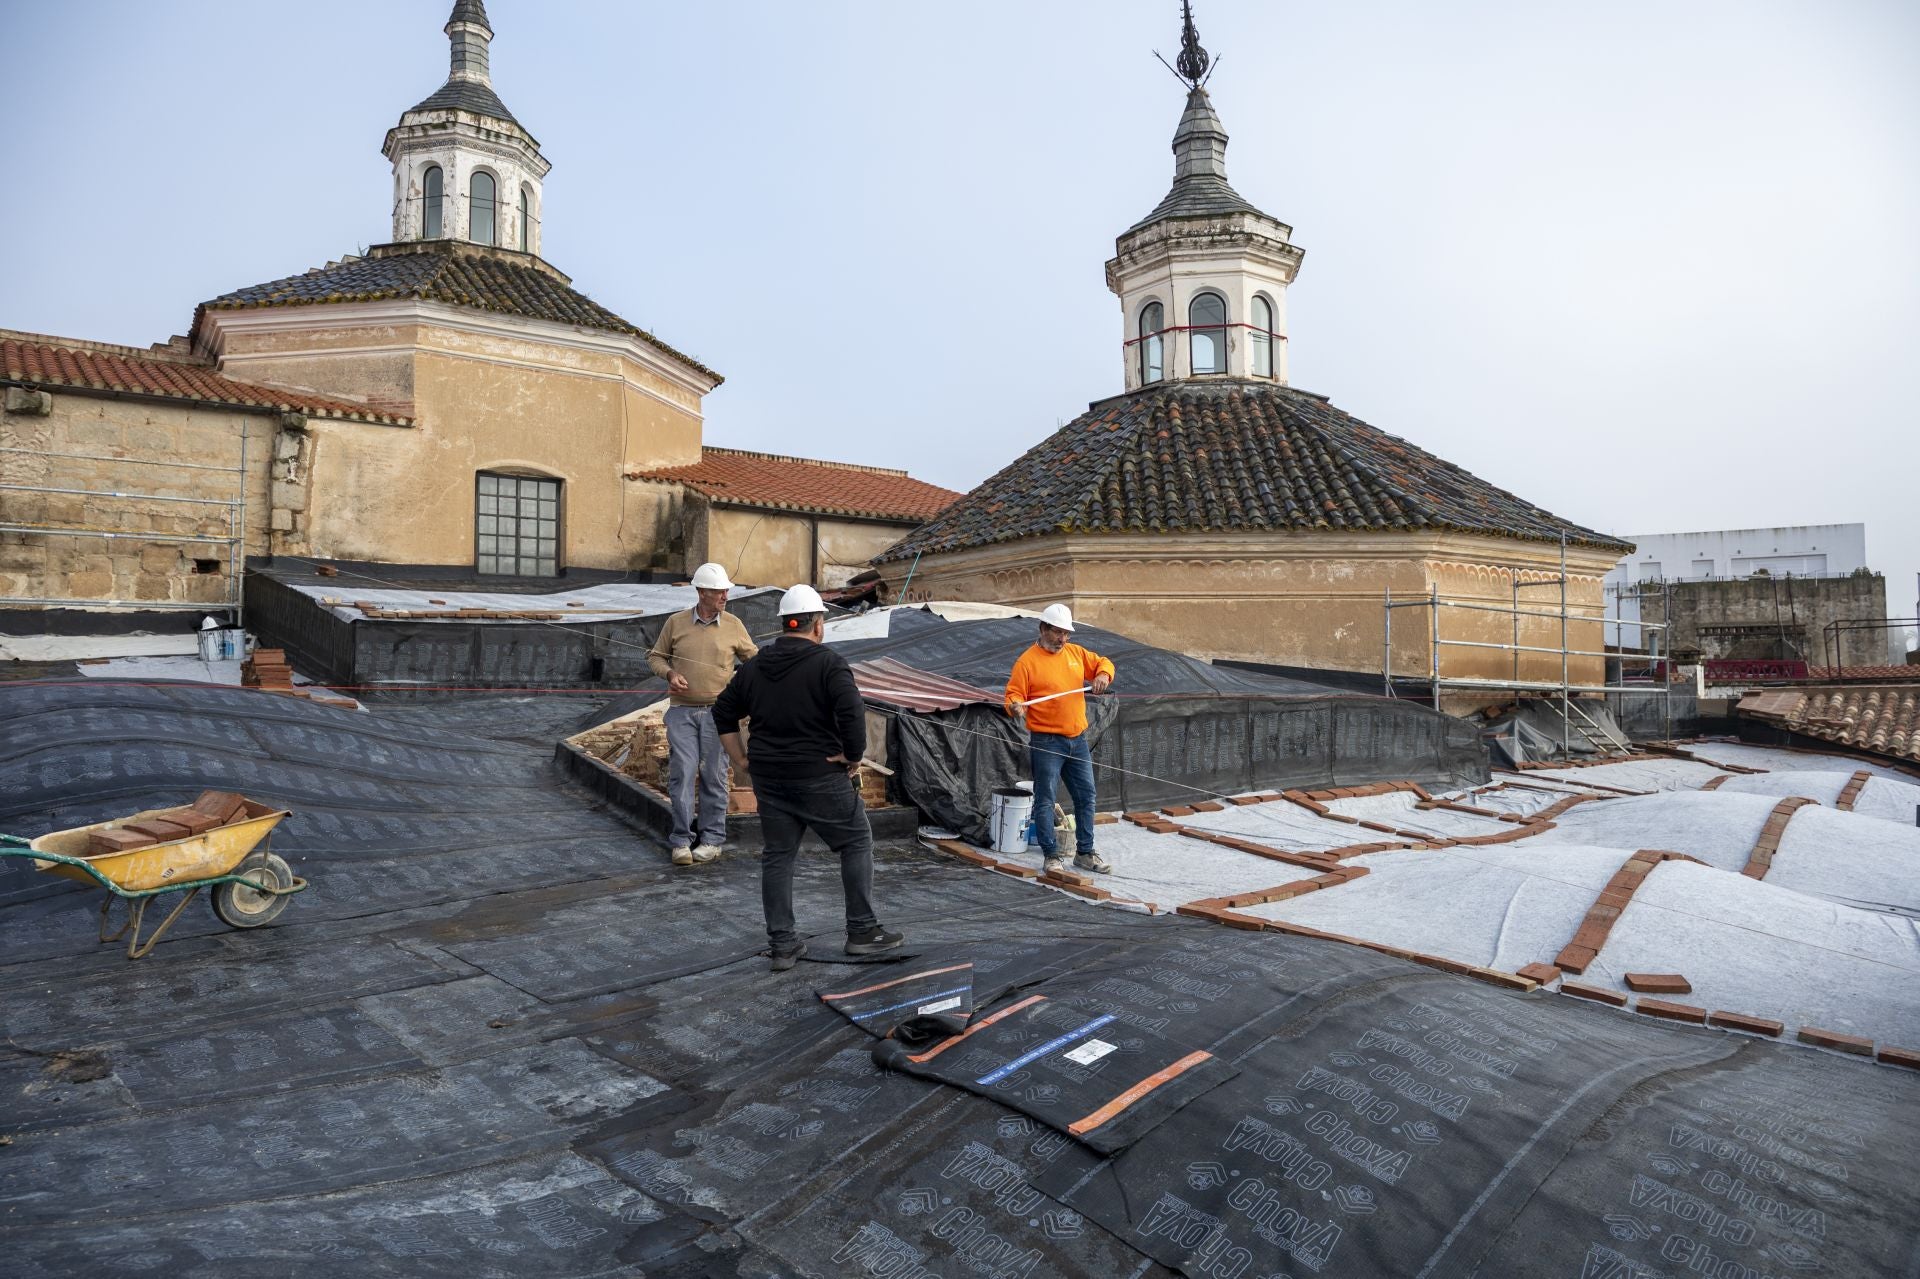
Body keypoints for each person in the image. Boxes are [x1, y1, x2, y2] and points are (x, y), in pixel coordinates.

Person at [712, 584, 903, 971]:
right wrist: (852, 756)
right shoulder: (829, 664)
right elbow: (852, 713)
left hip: (769, 777)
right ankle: (862, 931)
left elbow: (722, 713)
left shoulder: (754, 667)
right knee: (855, 841)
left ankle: (783, 945)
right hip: (819, 774)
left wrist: (741, 760)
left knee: (778, 856)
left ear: (785, 624)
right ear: (818, 625)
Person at [647, 562, 760, 867]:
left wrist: (741, 680)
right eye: (718, 591)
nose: (724, 595)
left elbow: (755, 661)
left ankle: (711, 840)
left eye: (725, 591)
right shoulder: (676, 623)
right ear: (701, 592)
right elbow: (655, 656)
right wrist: (670, 673)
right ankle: (681, 841)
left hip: (719, 716)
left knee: (714, 775)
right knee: (682, 773)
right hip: (682, 711)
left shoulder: (734, 625)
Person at [1004, 603, 1115, 876]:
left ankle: (1085, 853)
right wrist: (1016, 705)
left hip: (1076, 739)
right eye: (1057, 633)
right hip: (1046, 741)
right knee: (1045, 799)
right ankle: (1051, 855)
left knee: (1086, 796)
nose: (1062, 639)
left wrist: (1102, 675)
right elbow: (1013, 695)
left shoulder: (1076, 654)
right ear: (1043, 629)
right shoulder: (1027, 662)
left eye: (1066, 634)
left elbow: (1104, 662)